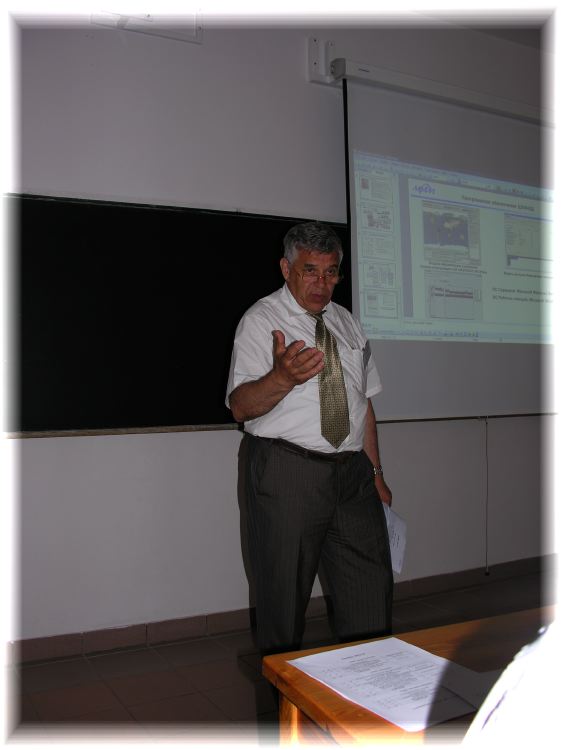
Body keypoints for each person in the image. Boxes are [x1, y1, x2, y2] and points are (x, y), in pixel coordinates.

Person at [226, 221, 393, 655]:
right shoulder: (261, 321)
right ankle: (283, 698)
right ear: (286, 269)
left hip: (354, 477)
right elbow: (240, 406)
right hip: (288, 473)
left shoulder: (348, 323)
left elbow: (363, 404)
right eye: (310, 271)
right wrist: (281, 378)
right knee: (282, 607)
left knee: (371, 598)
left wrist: (376, 473)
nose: (322, 284)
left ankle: (365, 694)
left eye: (331, 272)